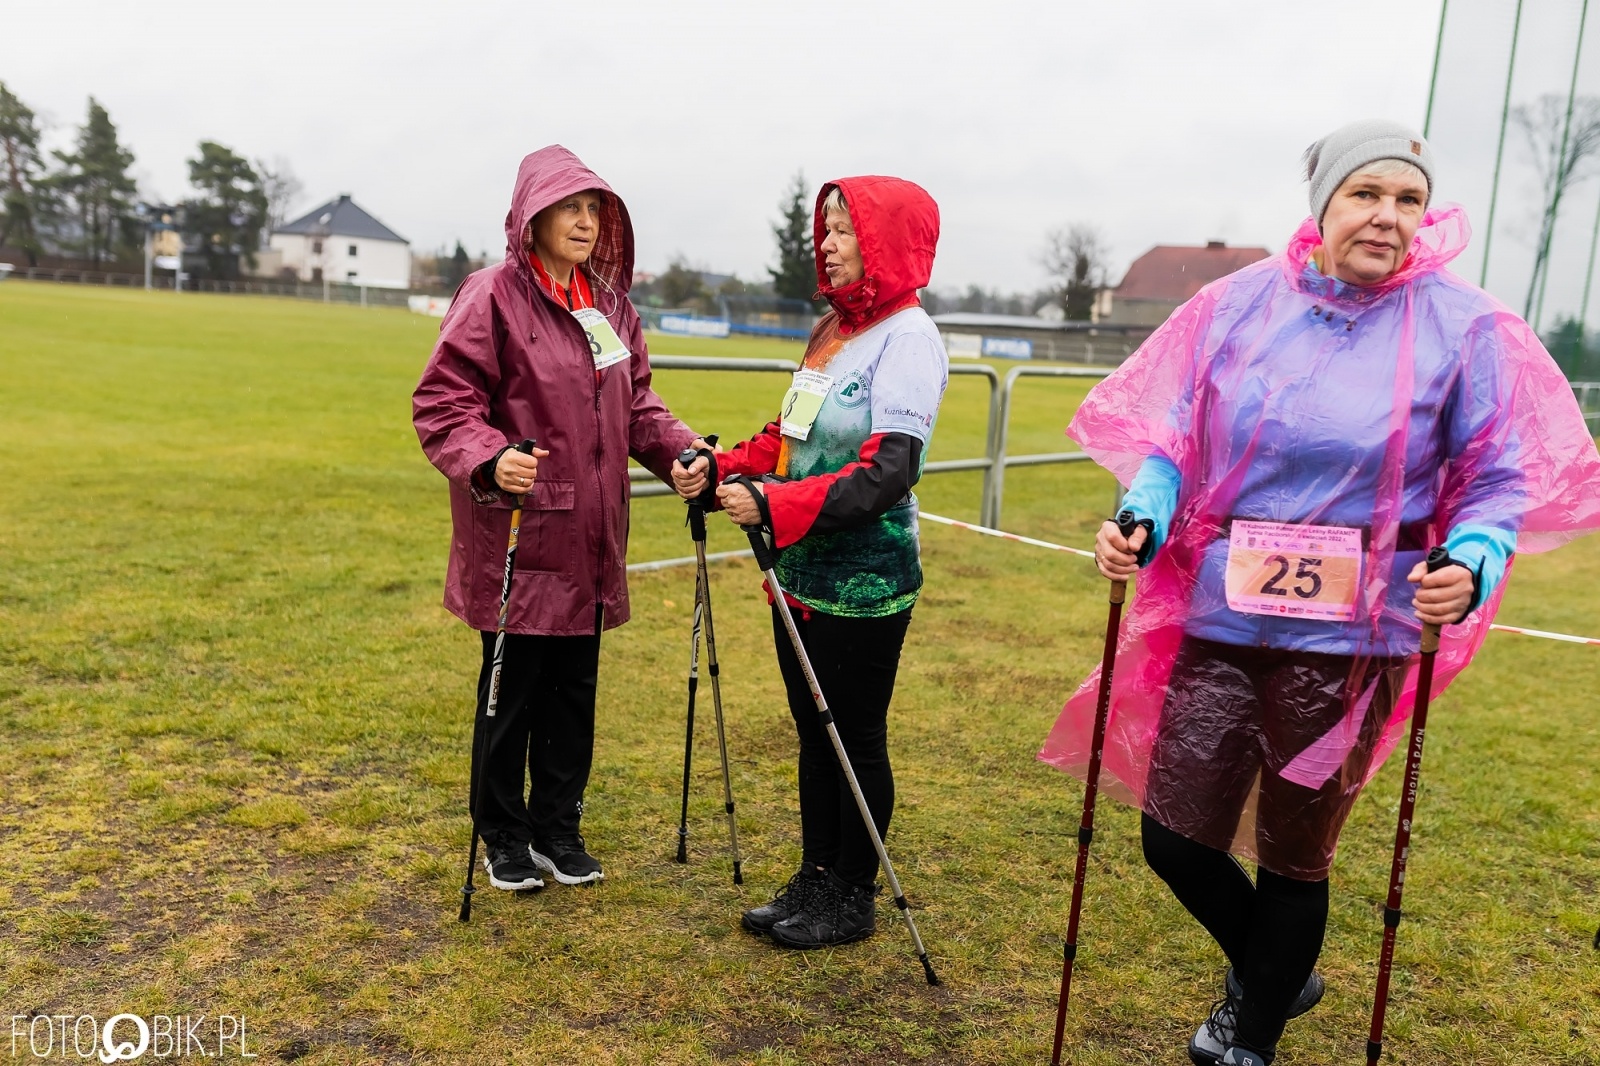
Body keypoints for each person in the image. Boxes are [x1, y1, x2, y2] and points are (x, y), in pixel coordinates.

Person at [1040, 120, 1600, 1066]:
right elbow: (1173, 435)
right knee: (1175, 837)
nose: (1387, 218)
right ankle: (1276, 969)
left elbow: (1500, 475)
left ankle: (1250, 1033)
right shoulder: (1238, 306)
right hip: (1225, 615)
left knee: (1296, 853)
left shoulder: (1464, 328)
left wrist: (1470, 559)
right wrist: (1142, 511)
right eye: (1366, 195)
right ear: (1325, 203)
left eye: (1408, 200)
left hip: (1355, 638)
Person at [414, 145, 710, 894]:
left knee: (574, 694)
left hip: (592, 539)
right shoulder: (490, 296)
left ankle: (558, 827)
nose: (584, 222)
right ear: (533, 216)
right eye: (571, 208)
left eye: (595, 210)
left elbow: (638, 405)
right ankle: (504, 835)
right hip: (522, 534)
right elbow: (444, 404)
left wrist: (677, 451)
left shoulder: (608, 306)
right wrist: (489, 458)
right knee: (511, 695)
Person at [673, 176, 947, 949]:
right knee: (810, 729)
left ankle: (852, 892)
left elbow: (888, 472)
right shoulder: (833, 329)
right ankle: (816, 873)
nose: (825, 242)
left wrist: (776, 507)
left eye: (844, 229)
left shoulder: (910, 339)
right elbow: (789, 438)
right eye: (824, 229)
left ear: (884, 240)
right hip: (801, 574)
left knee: (852, 734)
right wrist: (725, 466)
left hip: (867, 578)